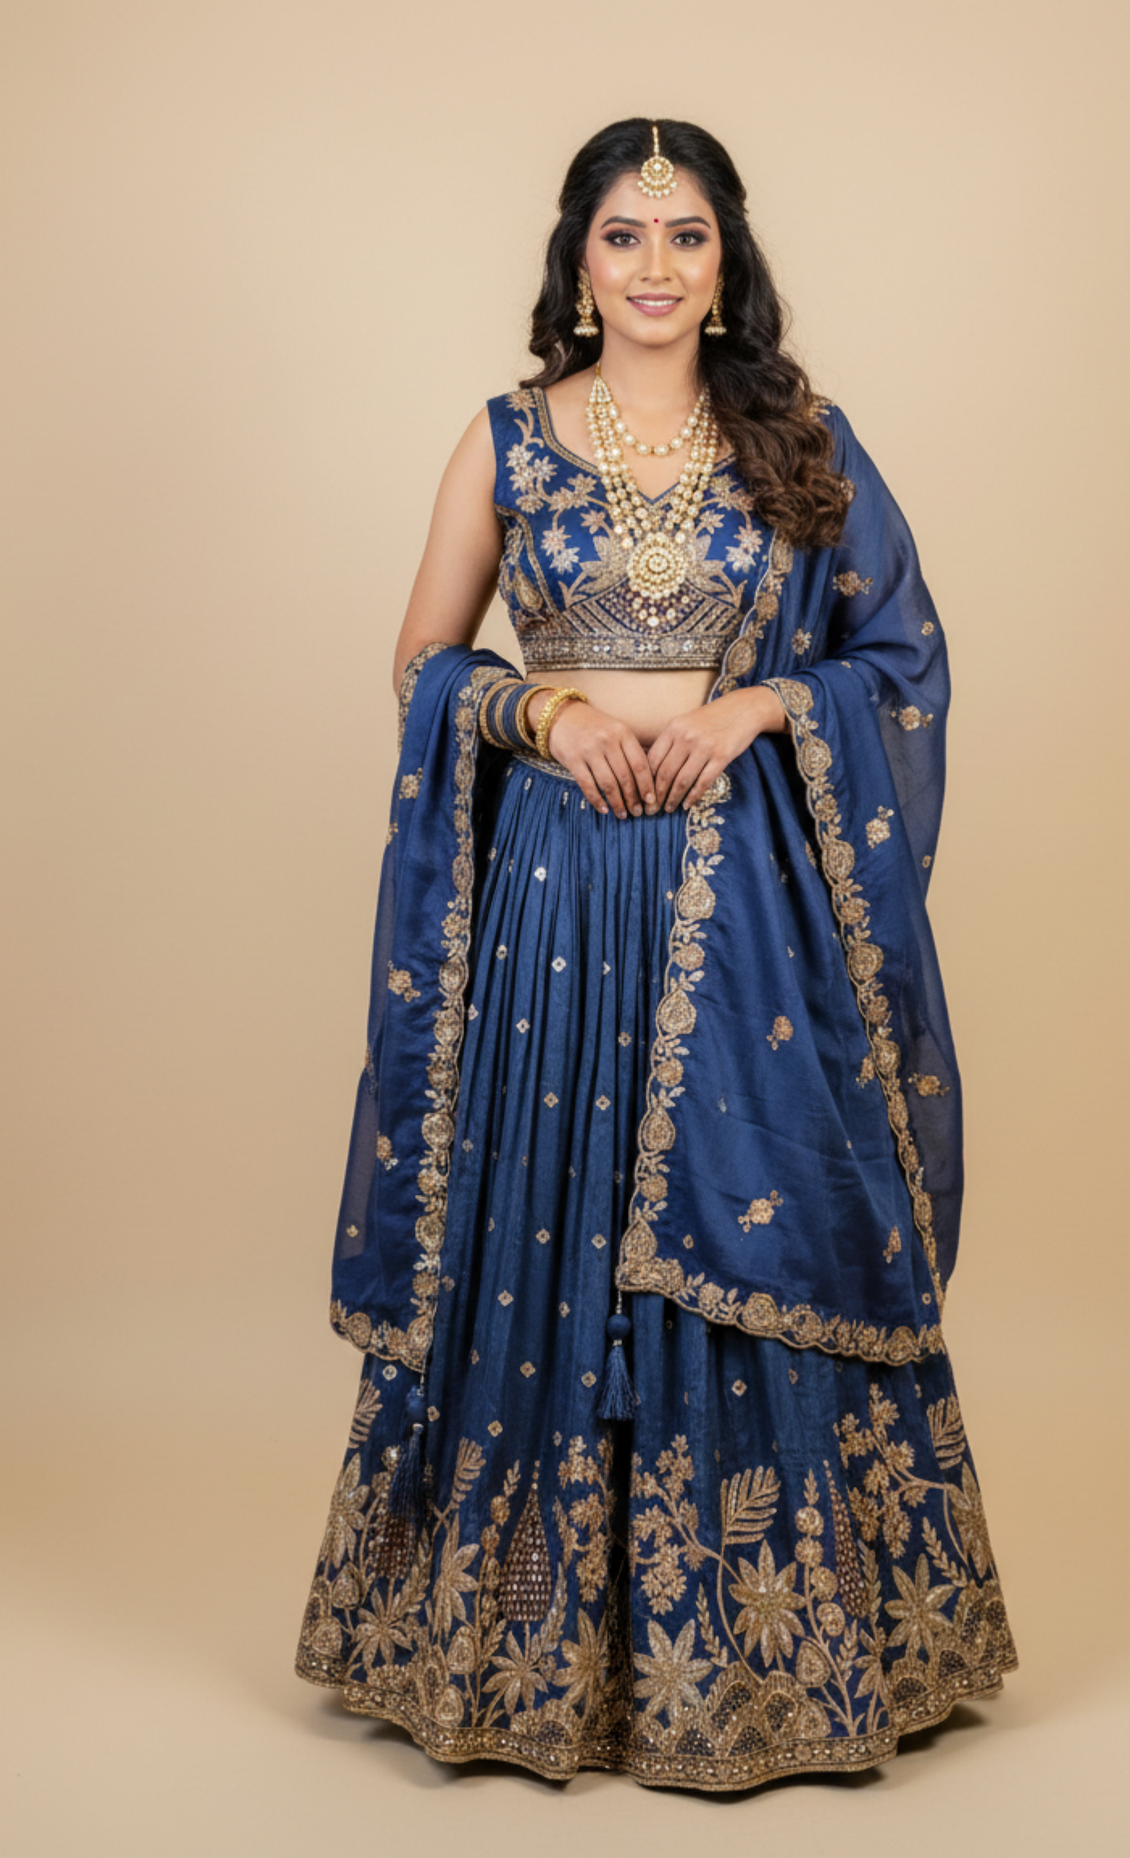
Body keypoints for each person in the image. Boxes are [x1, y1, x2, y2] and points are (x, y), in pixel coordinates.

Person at [294, 117, 1017, 1793]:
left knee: (755, 1212)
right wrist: (540, 710)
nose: (655, 269)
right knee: (538, 1223)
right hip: (558, 897)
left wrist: (769, 701)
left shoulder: (800, 438)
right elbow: (422, 653)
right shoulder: (501, 441)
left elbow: (899, 653)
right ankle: (515, 1652)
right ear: (577, 260)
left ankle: (773, 1655)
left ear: (727, 260)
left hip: (746, 893)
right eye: (625, 237)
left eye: (687, 237)